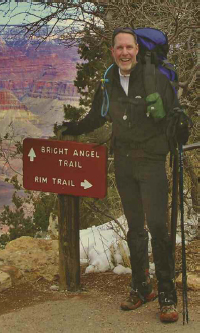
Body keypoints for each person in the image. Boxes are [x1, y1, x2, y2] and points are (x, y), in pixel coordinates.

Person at [61, 28, 188, 323]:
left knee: (158, 227)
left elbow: (176, 117)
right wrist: (74, 129)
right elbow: (96, 116)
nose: (124, 53)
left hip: (152, 163)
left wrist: (180, 125)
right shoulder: (108, 82)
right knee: (134, 227)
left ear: (137, 50)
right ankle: (141, 287)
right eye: (119, 48)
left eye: (129, 47)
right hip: (125, 164)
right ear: (113, 52)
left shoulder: (156, 78)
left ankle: (167, 293)